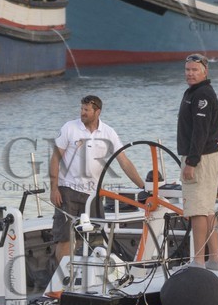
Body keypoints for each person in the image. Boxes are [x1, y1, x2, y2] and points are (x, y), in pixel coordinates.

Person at [50, 95, 147, 263]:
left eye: (87, 110)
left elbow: (124, 162)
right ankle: (62, 280)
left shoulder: (108, 132)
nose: (83, 113)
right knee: (64, 238)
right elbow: (55, 159)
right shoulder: (69, 128)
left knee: (91, 237)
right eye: (81, 109)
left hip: (93, 195)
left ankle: (83, 277)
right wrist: (54, 188)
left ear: (97, 111)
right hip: (67, 190)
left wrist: (144, 187)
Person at [178, 53, 218, 268]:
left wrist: (191, 162)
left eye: (195, 70)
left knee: (197, 210)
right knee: (207, 209)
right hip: (205, 156)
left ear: (205, 71)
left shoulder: (202, 95)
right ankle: (214, 259)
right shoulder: (195, 92)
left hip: (201, 158)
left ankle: (198, 261)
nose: (190, 73)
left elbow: (200, 131)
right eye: (187, 70)